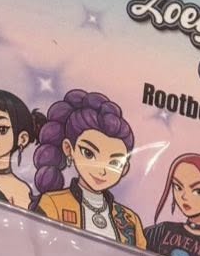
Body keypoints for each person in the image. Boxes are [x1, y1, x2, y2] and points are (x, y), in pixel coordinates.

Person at [32, 88, 145, 247]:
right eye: (89, 153)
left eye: (114, 163)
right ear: (68, 149)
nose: (102, 170)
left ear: (124, 168)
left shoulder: (130, 221)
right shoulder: (53, 203)